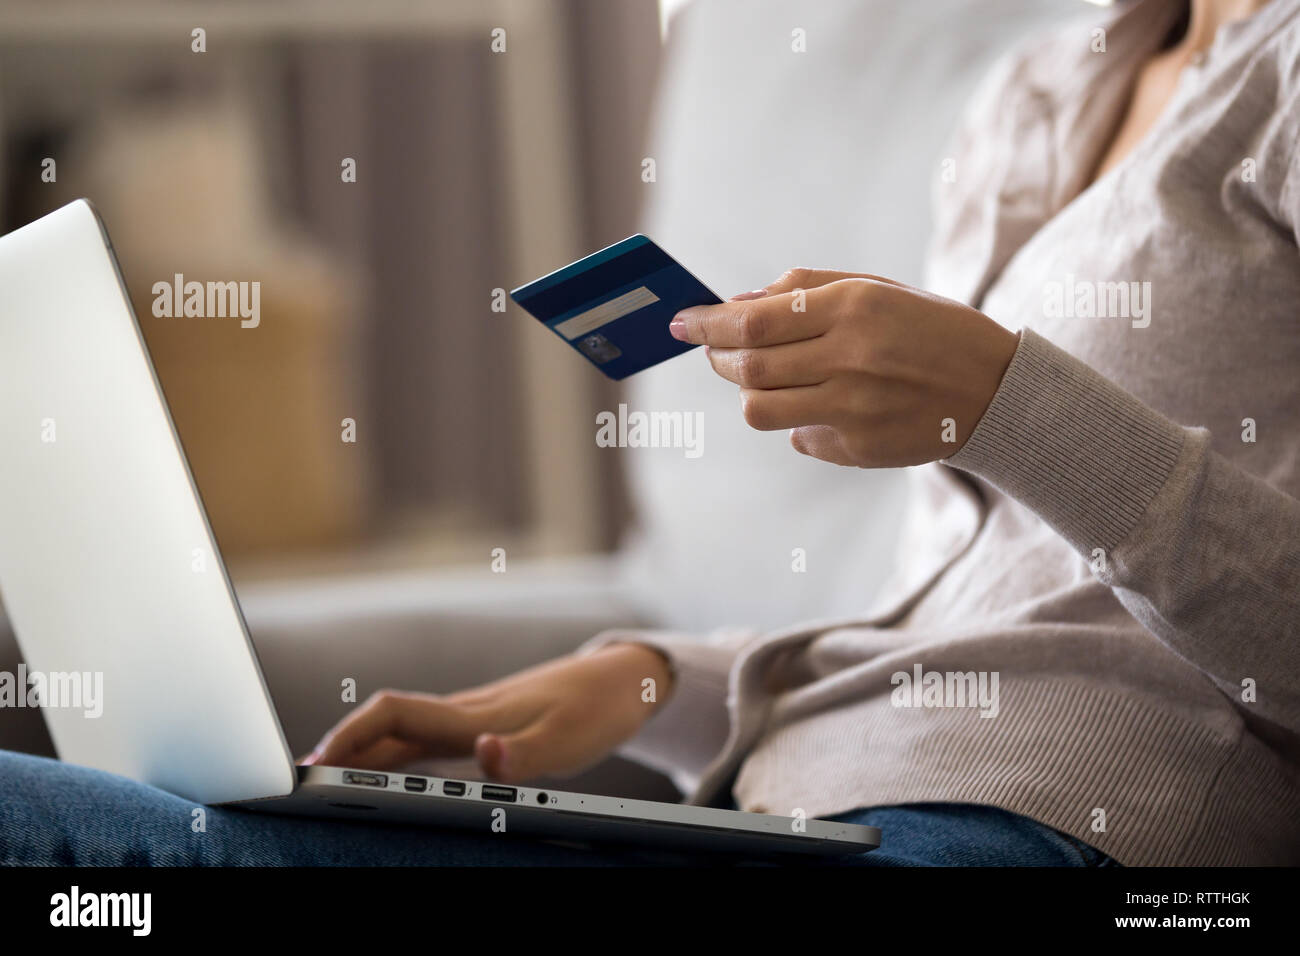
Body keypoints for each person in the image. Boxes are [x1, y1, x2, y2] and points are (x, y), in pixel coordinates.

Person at [2, 0, 1297, 866]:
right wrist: (640, 685)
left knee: (71, 834)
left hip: (1036, 834)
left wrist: (1008, 398)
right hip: (804, 807)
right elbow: (954, 612)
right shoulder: (1044, 88)